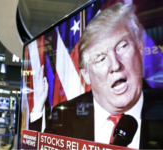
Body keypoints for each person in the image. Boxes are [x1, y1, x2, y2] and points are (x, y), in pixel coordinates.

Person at [29, 2, 163, 150]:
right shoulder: (64, 116)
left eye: (122, 46)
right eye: (100, 58)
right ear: (86, 75)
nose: (115, 65)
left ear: (140, 47)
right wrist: (36, 110)